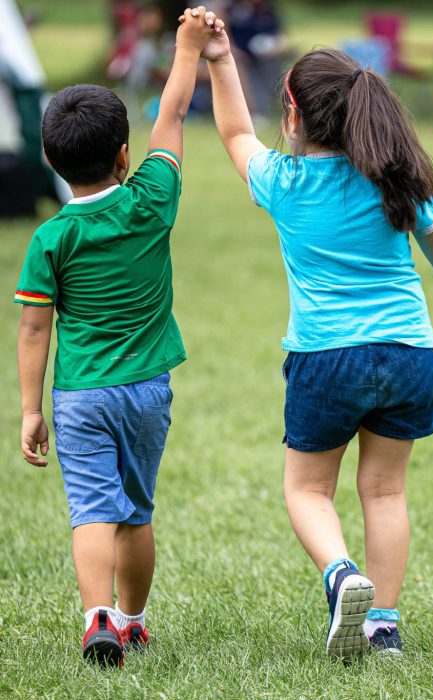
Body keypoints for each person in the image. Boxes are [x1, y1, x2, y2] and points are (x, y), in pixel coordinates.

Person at [189, 13, 433, 658]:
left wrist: (219, 59)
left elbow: (235, 130)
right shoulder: (396, 179)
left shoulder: (284, 181)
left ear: (295, 117)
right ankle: (382, 623)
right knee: (385, 490)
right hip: (409, 353)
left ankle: (340, 574)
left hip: (325, 357)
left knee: (306, 489)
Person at [14, 7, 224, 668]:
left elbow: (33, 326)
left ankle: (97, 614)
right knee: (135, 511)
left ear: (49, 157)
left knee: (91, 513)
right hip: (146, 392)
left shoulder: (51, 237)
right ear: (124, 155)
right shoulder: (151, 200)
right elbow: (172, 112)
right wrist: (188, 46)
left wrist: (29, 408)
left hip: (80, 395)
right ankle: (133, 622)